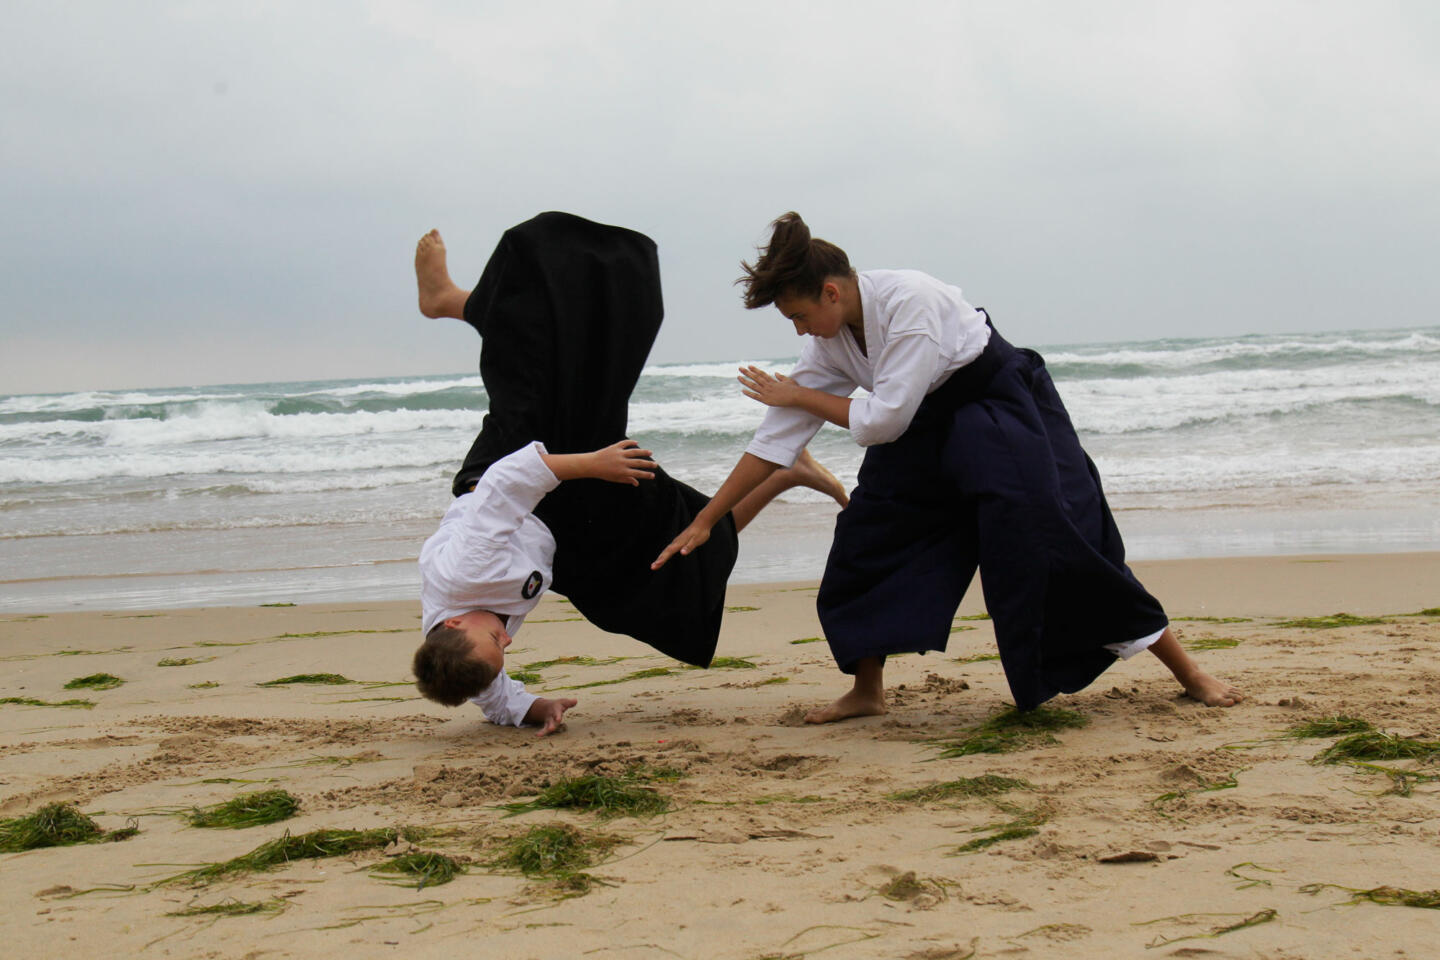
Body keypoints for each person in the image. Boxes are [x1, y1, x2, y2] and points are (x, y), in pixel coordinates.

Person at [654, 212, 1241, 723]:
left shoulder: (912, 301)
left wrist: (800, 396)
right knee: (867, 536)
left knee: (1050, 535)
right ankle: (867, 691)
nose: (800, 330)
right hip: (921, 425)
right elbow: (777, 439)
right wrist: (708, 518)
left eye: (799, 315)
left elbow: (881, 421)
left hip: (994, 409)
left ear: (831, 292)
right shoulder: (830, 343)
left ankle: (1189, 674)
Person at [411, 213, 847, 736]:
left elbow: (508, 482)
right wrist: (533, 707)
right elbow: (489, 689)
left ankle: (451, 300)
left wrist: (596, 462)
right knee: (658, 577)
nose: (507, 642)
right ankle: (784, 473)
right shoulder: (464, 652)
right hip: (560, 525)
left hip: (521, 465)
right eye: (501, 650)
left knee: (552, 361)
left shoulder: (464, 572)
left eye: (495, 642)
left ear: (454, 621)